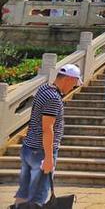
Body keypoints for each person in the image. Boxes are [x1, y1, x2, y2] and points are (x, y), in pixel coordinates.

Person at [13, 65, 82, 206]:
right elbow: (48, 129)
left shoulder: (44, 89)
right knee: (39, 194)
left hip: (29, 147)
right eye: (75, 83)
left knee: (24, 192)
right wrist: (49, 158)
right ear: (68, 79)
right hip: (41, 151)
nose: (74, 87)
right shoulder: (53, 98)